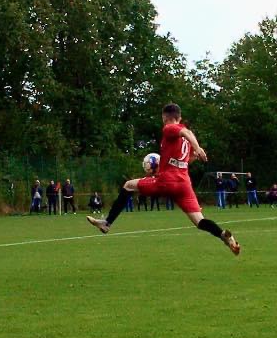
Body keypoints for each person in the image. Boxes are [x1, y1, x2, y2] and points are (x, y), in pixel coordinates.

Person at [86, 103, 240, 255]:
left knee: (128, 185)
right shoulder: (185, 140)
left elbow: (186, 132)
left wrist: (198, 148)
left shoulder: (169, 128)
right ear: (180, 117)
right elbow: (187, 158)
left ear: (165, 117)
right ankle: (223, 235)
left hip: (167, 181)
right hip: (184, 184)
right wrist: (195, 152)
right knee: (199, 221)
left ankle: (107, 223)